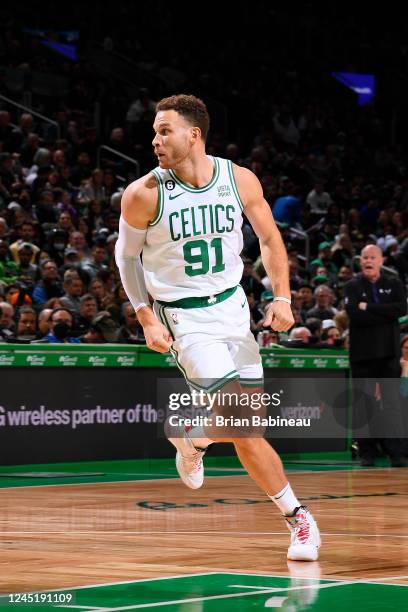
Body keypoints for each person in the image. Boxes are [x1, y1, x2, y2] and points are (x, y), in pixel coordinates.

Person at [115, 94, 320, 561]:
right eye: (154, 132)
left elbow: (269, 237)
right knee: (246, 425)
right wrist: (145, 315)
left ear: (194, 134)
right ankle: (299, 520)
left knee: (248, 423)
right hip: (184, 317)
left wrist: (283, 296)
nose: (155, 140)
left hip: (232, 308)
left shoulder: (238, 178)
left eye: (164, 131)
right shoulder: (144, 192)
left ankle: (193, 436)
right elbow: (125, 257)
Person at [345, 245, 408, 467]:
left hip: (389, 353)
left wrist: (368, 307)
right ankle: (367, 453)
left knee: (392, 404)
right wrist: (383, 312)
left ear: (381, 261)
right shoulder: (352, 285)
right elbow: (354, 314)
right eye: (365, 257)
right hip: (362, 355)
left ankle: (397, 453)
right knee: (364, 404)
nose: (368, 261)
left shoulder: (393, 283)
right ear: (360, 261)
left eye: (373, 257)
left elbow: (401, 309)